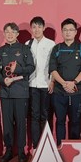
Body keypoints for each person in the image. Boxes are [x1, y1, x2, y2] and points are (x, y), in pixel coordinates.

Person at [0, 22, 35, 162]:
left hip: (20, 91)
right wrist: (2, 80)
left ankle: (22, 150)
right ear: (4, 34)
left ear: (17, 34)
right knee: (6, 123)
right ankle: (9, 150)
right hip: (5, 92)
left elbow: (31, 67)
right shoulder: (0, 51)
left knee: (21, 122)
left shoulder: (25, 49)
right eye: (7, 32)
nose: (10, 34)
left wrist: (17, 69)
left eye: (12, 32)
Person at [49, 18, 81, 146]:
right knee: (60, 121)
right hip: (59, 92)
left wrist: (73, 82)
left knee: (75, 121)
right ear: (62, 31)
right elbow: (53, 69)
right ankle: (60, 147)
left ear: (75, 32)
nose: (68, 32)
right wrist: (64, 84)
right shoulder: (57, 48)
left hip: (76, 92)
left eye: (71, 30)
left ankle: (74, 148)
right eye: (65, 30)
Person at [25, 16, 55, 151]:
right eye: (34, 27)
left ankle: (46, 145)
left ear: (43, 28)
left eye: (39, 26)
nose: (36, 29)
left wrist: (52, 81)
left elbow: (54, 65)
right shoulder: (27, 44)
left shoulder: (51, 44)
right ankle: (36, 146)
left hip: (46, 84)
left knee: (45, 115)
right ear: (31, 28)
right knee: (34, 115)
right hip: (32, 85)